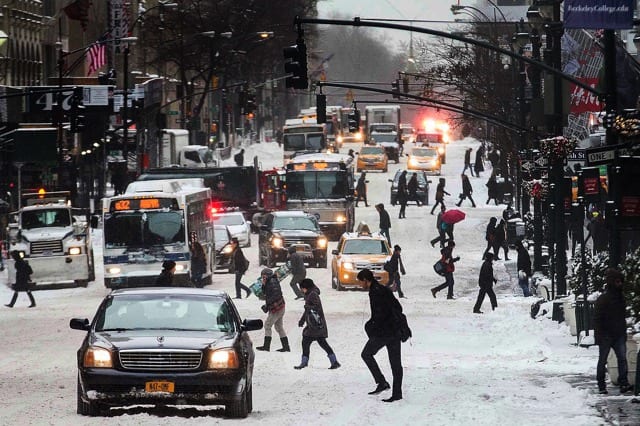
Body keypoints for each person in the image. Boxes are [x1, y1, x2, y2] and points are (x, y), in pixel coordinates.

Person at [357, 268, 404, 403]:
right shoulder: (383, 289)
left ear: (366, 280)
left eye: (361, 282)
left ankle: (382, 382)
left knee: (366, 354)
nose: (361, 285)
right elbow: (397, 307)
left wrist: (371, 326)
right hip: (394, 330)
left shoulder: (375, 292)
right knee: (396, 363)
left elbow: (379, 314)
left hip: (385, 332)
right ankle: (397, 393)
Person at [593, 268, 633, 395]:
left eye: (620, 281)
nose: (620, 284)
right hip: (607, 335)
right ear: (611, 282)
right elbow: (597, 319)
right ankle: (604, 384)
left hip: (616, 334)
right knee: (606, 360)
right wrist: (599, 335)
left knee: (620, 359)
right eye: (617, 281)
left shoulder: (619, 298)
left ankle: (621, 383)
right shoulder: (605, 299)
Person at [294, 278, 341, 370]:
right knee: (317, 343)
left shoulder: (312, 294)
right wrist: (302, 320)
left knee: (308, 342)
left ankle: (304, 362)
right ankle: (334, 361)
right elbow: (308, 310)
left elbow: (316, 307)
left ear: (306, 287)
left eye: (302, 288)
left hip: (316, 325)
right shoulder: (309, 294)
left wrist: (308, 307)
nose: (301, 290)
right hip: (314, 325)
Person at [256, 268, 290, 352]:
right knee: (279, 327)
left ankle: (266, 346)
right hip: (279, 307)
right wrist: (263, 284)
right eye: (262, 277)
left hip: (276, 308)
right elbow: (265, 293)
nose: (263, 278)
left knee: (267, 325)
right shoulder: (270, 282)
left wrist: (267, 305)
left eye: (264, 276)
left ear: (267, 275)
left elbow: (275, 296)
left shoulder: (272, 283)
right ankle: (286, 347)